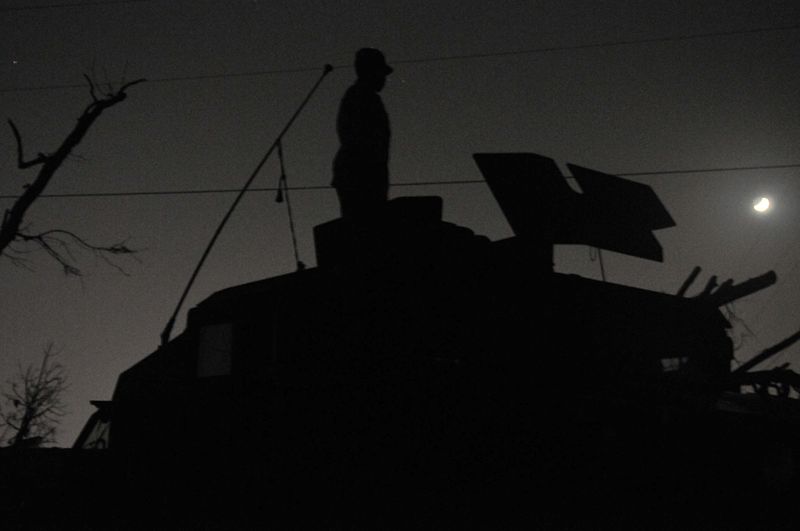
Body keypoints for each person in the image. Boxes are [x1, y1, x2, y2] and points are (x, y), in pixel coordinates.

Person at [332, 48, 393, 220]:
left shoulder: (362, 96)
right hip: (360, 174)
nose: (384, 79)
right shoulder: (361, 97)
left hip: (360, 172)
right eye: (381, 72)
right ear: (370, 71)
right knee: (362, 225)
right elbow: (360, 139)